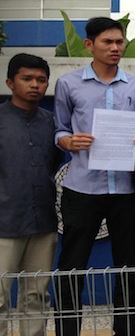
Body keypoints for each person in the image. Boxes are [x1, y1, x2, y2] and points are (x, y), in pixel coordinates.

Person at [52, 17, 135, 336]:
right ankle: (68, 330)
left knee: (128, 268)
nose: (115, 48)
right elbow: (60, 129)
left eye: (119, 42)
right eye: (107, 42)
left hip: (124, 190)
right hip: (81, 188)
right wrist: (67, 141)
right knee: (71, 268)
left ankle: (125, 330)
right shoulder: (68, 83)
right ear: (89, 45)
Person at [0, 53, 61, 336]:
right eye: (27, 79)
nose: (35, 85)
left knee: (36, 297)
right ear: (10, 82)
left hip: (43, 223)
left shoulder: (52, 123)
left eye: (41, 80)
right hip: (4, 224)